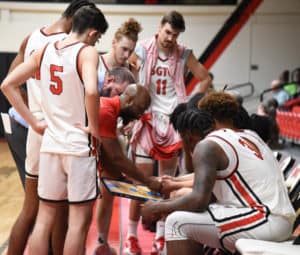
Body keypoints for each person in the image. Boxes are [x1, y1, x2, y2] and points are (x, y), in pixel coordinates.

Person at [1, 5, 108, 255]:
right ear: (93, 33)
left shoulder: (43, 49)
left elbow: (7, 84)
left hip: (48, 142)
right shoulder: (87, 52)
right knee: (77, 223)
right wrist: (94, 127)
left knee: (43, 219)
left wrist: (34, 121)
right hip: (77, 145)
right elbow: (92, 91)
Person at [141, 91, 296, 255]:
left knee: (177, 223)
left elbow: (198, 200)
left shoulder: (210, 144)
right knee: (186, 214)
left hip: (264, 220)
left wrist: (156, 207)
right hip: (279, 219)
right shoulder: (250, 135)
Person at [125, 10, 211, 255]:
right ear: (160, 28)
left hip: (171, 121)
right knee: (140, 184)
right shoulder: (142, 49)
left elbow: (204, 78)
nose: (171, 38)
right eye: (168, 32)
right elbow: (129, 73)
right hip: (147, 118)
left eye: (175, 34)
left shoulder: (184, 53)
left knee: (166, 185)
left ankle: (161, 237)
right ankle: (132, 236)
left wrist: (189, 104)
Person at [94, 84, 162, 255]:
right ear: (129, 99)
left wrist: (118, 176)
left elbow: (110, 156)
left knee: (106, 190)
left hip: (78, 158)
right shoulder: (106, 111)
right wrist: (147, 180)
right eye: (139, 109)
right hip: (73, 159)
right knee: (79, 216)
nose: (140, 115)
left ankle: (101, 244)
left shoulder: (109, 109)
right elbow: (117, 158)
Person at [98, 18, 142, 95]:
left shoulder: (132, 70)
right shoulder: (96, 64)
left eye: (131, 51)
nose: (127, 55)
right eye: (124, 49)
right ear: (114, 42)